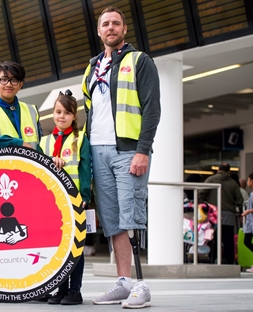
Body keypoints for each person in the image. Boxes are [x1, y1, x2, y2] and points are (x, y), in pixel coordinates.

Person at [82, 6, 161, 309]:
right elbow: (92, 113)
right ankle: (124, 283)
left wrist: (143, 150)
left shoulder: (140, 61)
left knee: (132, 216)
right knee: (113, 222)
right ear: (99, 31)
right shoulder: (91, 68)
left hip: (129, 151)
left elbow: (152, 109)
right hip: (98, 151)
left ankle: (141, 285)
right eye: (105, 24)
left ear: (124, 29)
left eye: (116, 23)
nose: (111, 27)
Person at [39, 90, 91, 305]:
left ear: (74, 116)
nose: (62, 116)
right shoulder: (44, 142)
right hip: (52, 204)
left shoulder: (80, 140)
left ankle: (75, 290)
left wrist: (86, 195)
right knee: (59, 247)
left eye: (67, 113)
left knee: (76, 247)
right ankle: (61, 289)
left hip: (75, 201)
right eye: (58, 112)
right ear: (53, 113)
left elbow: (87, 168)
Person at [0, 61, 42, 152]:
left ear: (20, 85)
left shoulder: (32, 110)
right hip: (3, 166)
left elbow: (40, 146)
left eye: (14, 80)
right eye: (4, 80)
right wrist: (16, 143)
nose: (9, 84)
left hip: (30, 165)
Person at [200, 163, 244, 264]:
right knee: (228, 240)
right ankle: (229, 261)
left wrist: (205, 205)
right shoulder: (233, 183)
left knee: (213, 238)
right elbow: (239, 199)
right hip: (229, 216)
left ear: (218, 170)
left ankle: (213, 259)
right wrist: (240, 210)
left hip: (213, 215)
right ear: (229, 171)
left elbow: (201, 193)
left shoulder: (210, 180)